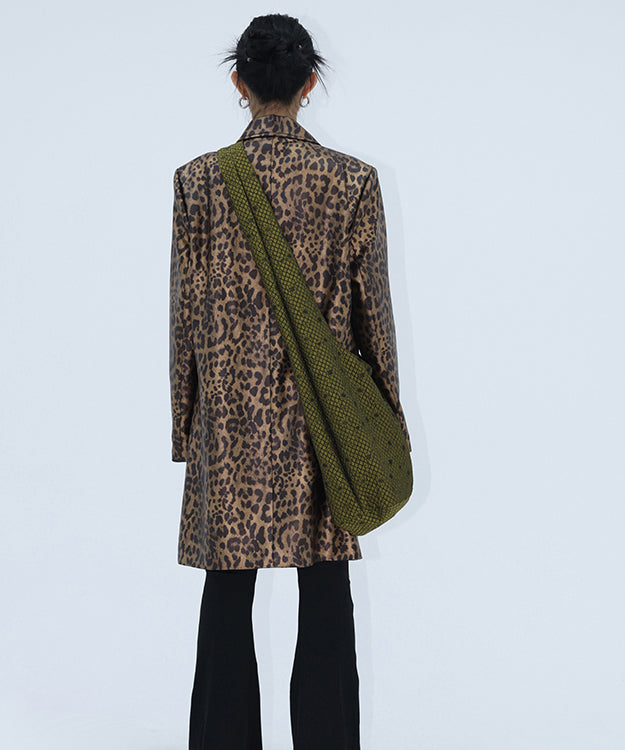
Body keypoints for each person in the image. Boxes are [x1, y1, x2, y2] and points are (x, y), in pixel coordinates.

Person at [168, 12, 411, 750]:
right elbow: (374, 317)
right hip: (322, 425)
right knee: (326, 588)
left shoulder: (199, 183)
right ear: (310, 83)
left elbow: (185, 318)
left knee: (226, 593)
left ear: (238, 83)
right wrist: (386, 422)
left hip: (229, 423)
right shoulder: (352, 182)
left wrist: (186, 427)